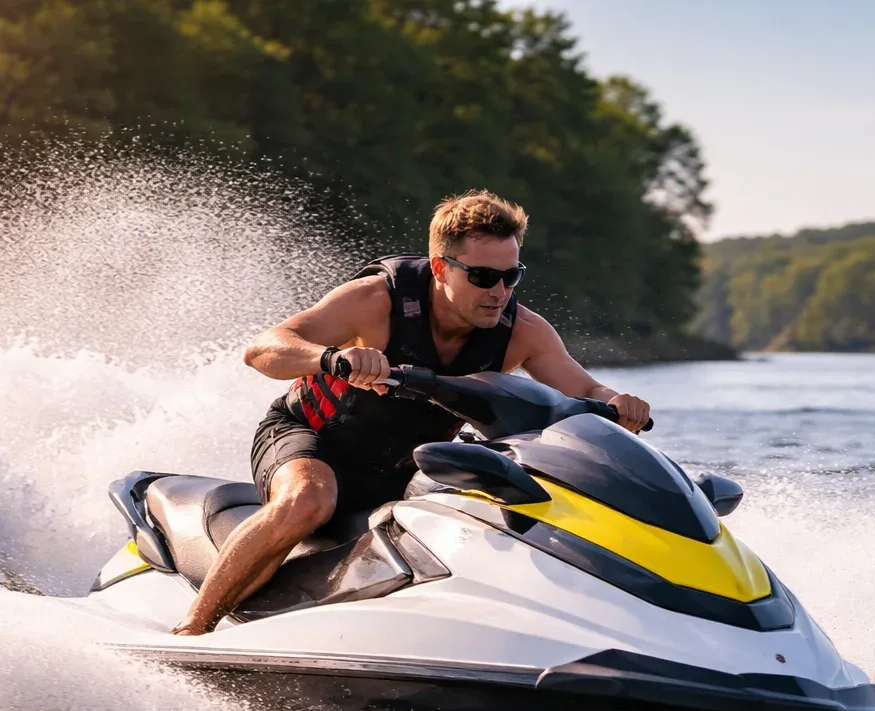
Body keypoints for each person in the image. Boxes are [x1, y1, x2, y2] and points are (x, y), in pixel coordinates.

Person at [173, 190, 652, 635]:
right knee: (308, 500)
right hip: (308, 437)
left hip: (404, 466)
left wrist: (618, 402)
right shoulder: (376, 301)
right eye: (483, 277)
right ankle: (192, 629)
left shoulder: (523, 331)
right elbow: (263, 350)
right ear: (441, 270)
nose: (499, 291)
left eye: (511, 276)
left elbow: (585, 388)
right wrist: (333, 359)